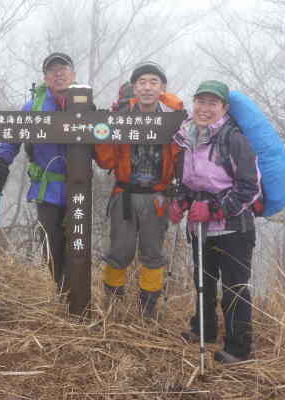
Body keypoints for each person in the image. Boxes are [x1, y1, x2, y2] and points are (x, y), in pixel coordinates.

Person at [169, 80, 261, 363]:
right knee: (204, 281)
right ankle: (204, 329)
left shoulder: (234, 139)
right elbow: (188, 181)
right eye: (201, 101)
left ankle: (238, 348)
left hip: (234, 229)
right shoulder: (187, 137)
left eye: (212, 103)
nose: (204, 108)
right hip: (200, 227)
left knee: (234, 287)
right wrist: (181, 201)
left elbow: (249, 187)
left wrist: (214, 210)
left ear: (224, 108)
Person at [94, 61, 184, 320]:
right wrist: (102, 131)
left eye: (153, 82)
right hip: (125, 195)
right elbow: (106, 162)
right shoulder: (121, 117)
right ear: (134, 87)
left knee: (153, 253)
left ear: (162, 88)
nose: (147, 88)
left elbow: (181, 157)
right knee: (119, 251)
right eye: (142, 82)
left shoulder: (173, 120)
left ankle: (148, 312)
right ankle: (113, 307)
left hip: (158, 196)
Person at [0, 52, 75, 296]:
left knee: (77, 244)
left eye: (63, 68)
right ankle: (62, 291)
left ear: (73, 75)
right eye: (52, 70)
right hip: (46, 188)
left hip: (78, 187)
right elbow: (13, 135)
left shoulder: (84, 104)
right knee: (51, 242)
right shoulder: (33, 107)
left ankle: (77, 295)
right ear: (45, 78)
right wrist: (3, 161)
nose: (58, 74)